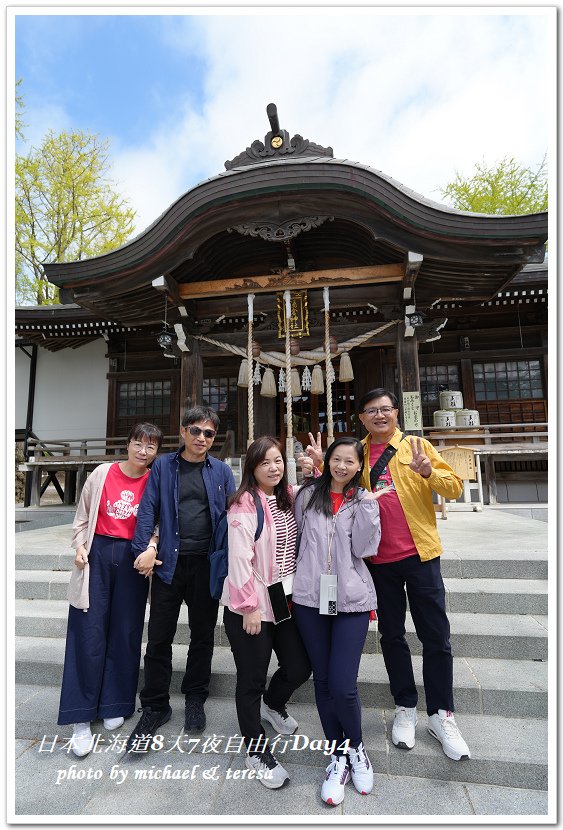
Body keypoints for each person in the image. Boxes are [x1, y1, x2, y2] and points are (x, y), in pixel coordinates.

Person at [352, 388, 471, 761]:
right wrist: (318, 469)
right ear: (362, 418)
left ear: (396, 412)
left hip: (420, 556)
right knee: (391, 635)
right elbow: (337, 489)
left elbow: (454, 487)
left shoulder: (417, 445)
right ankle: (405, 705)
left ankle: (441, 714)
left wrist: (428, 471)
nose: (379, 415)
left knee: (436, 636)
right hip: (378, 562)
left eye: (385, 409)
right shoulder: (356, 451)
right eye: (371, 411)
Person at [125, 406, 236, 752]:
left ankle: (195, 697)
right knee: (159, 636)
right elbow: (148, 509)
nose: (202, 438)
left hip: (206, 565)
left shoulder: (221, 471)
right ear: (183, 431)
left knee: (202, 636)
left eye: (209, 433)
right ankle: (155, 704)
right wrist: (143, 550)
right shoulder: (162, 466)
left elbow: (232, 516)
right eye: (196, 430)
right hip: (168, 564)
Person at [291, 437, 388, 806]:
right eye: (337, 459)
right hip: (309, 600)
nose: (342, 466)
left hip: (352, 600)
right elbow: (296, 539)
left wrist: (366, 509)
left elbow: (365, 549)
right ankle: (337, 757)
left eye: (350, 461)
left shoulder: (364, 500)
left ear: (358, 466)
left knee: (344, 685)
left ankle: (358, 749)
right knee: (324, 681)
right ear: (327, 461)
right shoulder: (306, 496)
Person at [57, 422, 163, 757]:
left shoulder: (155, 479)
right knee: (88, 631)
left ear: (156, 452)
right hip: (98, 555)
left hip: (133, 559)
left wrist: (153, 546)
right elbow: (82, 515)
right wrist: (78, 546)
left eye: (150, 447)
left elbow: (161, 522)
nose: (142, 451)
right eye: (137, 444)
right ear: (128, 444)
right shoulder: (103, 473)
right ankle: (80, 716)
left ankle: (116, 701)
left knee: (126, 631)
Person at [222, 436, 312, 789]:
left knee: (300, 666)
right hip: (253, 605)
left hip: (286, 601)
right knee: (251, 679)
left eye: (278, 461)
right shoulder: (244, 503)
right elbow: (239, 561)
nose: (273, 468)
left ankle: (273, 705)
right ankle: (255, 749)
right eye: (265, 463)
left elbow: (323, 494)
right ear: (252, 468)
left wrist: (317, 467)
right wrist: (248, 607)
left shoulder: (289, 495)